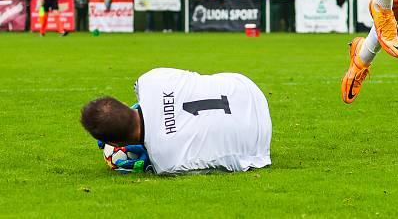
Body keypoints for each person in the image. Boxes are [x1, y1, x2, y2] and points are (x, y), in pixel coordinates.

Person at [80, 68, 271, 175]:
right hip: (244, 88)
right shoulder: (149, 80)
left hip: (257, 142)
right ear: (123, 104)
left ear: (115, 144)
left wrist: (151, 164)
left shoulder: (166, 163)